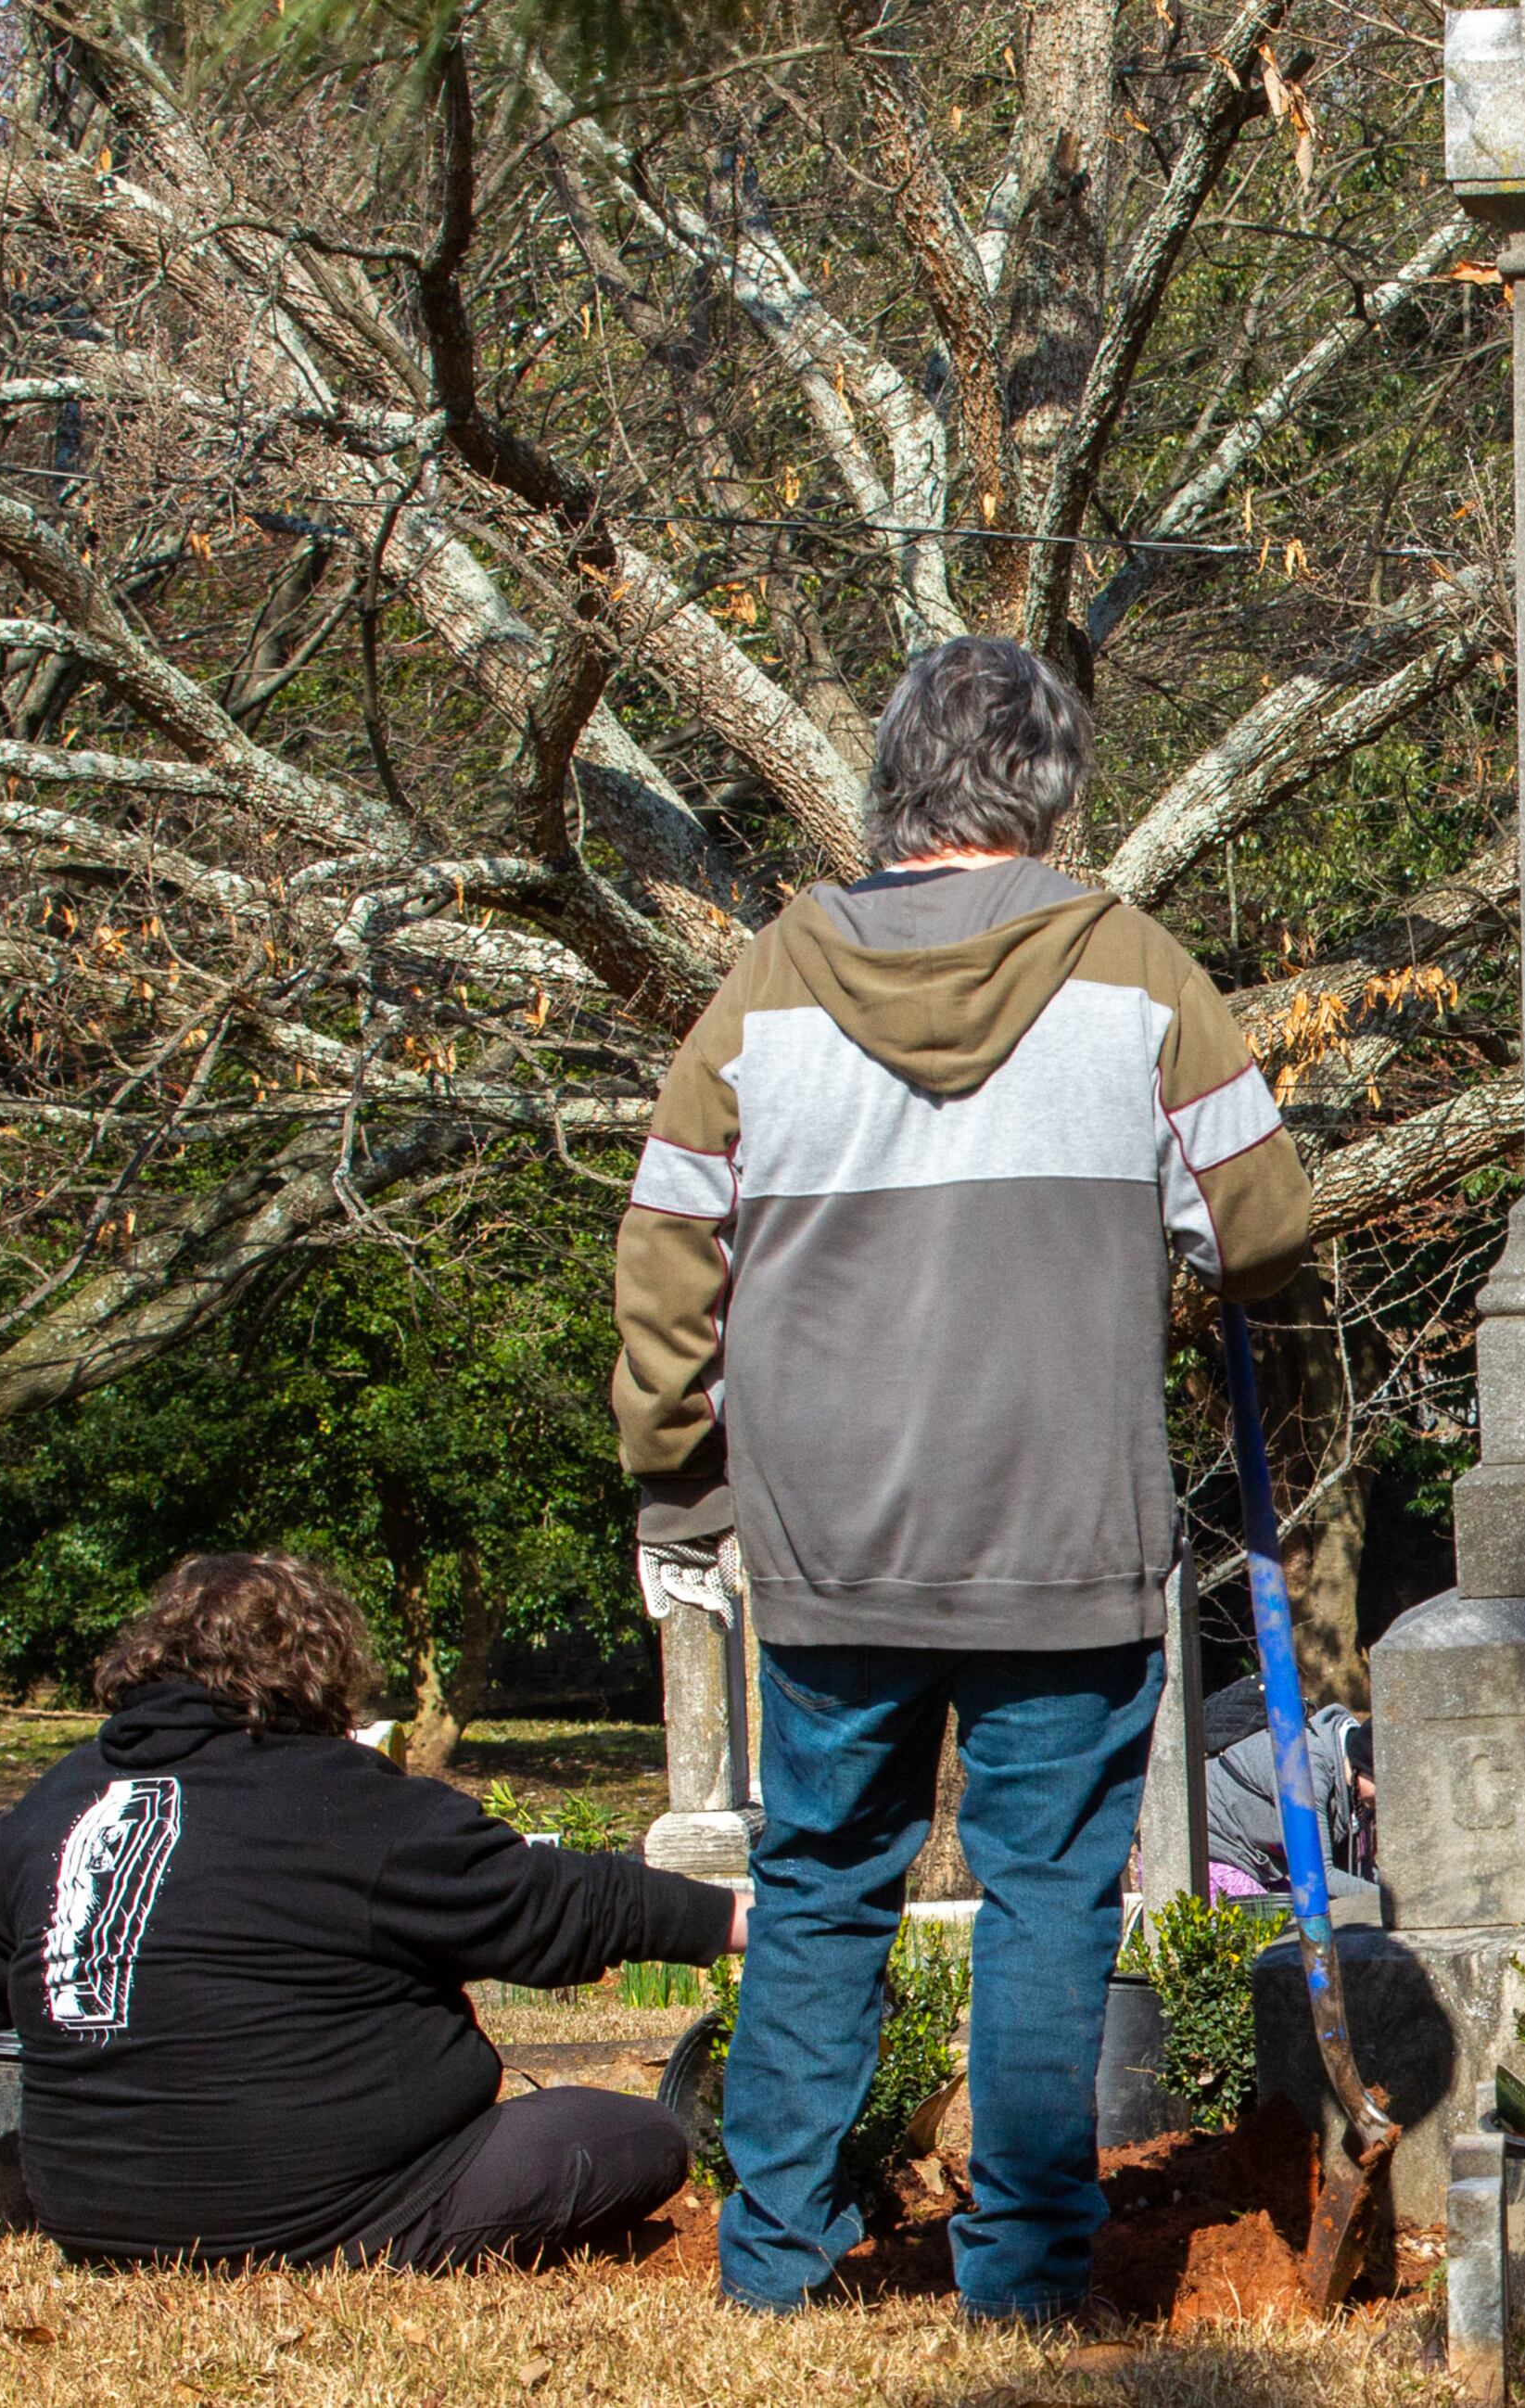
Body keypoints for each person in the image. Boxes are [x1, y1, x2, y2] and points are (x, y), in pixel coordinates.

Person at [614, 633, 1309, 2322]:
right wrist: (1212, 1278)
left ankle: (773, 2264)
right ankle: (1023, 2278)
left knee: (819, 1885)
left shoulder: (766, 985)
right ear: (1055, 789)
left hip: (834, 1534)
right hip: (1063, 1532)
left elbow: (664, 1252)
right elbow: (1268, 1223)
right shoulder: (1139, 972)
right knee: (1050, 1902)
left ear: (895, 783)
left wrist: (679, 1478)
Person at [0, 1553, 738, 2266]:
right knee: (638, 2132)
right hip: (337, 2218)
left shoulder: (62, 1801)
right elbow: (557, 1902)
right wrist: (738, 1920)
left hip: (101, 2225)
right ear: (319, 1667)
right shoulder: (346, 1799)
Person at [1195, 1676, 1371, 1895]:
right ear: (1361, 1767)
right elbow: (1317, 1876)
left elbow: (1358, 1876)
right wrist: (1400, 1902)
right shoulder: (1304, 1769)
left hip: (1251, 1863)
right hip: (1201, 1856)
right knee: (1268, 1922)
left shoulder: (1354, 1792)